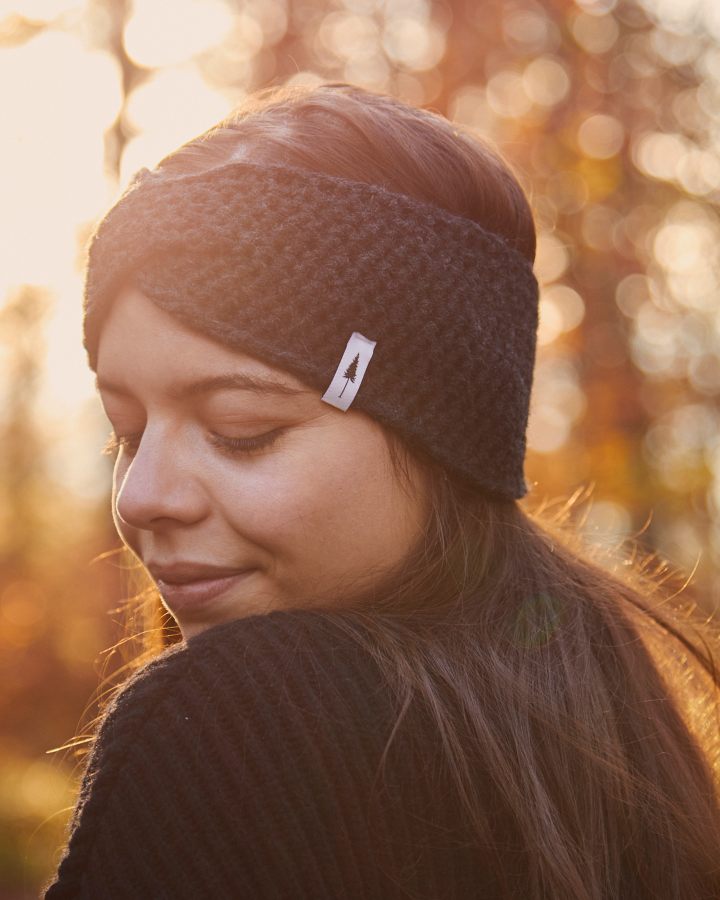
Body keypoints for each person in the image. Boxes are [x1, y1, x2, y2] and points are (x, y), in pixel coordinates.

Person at [43, 82, 720, 899]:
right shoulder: (609, 723)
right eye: (127, 432)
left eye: (242, 430)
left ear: (441, 436)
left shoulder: (232, 725)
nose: (142, 496)